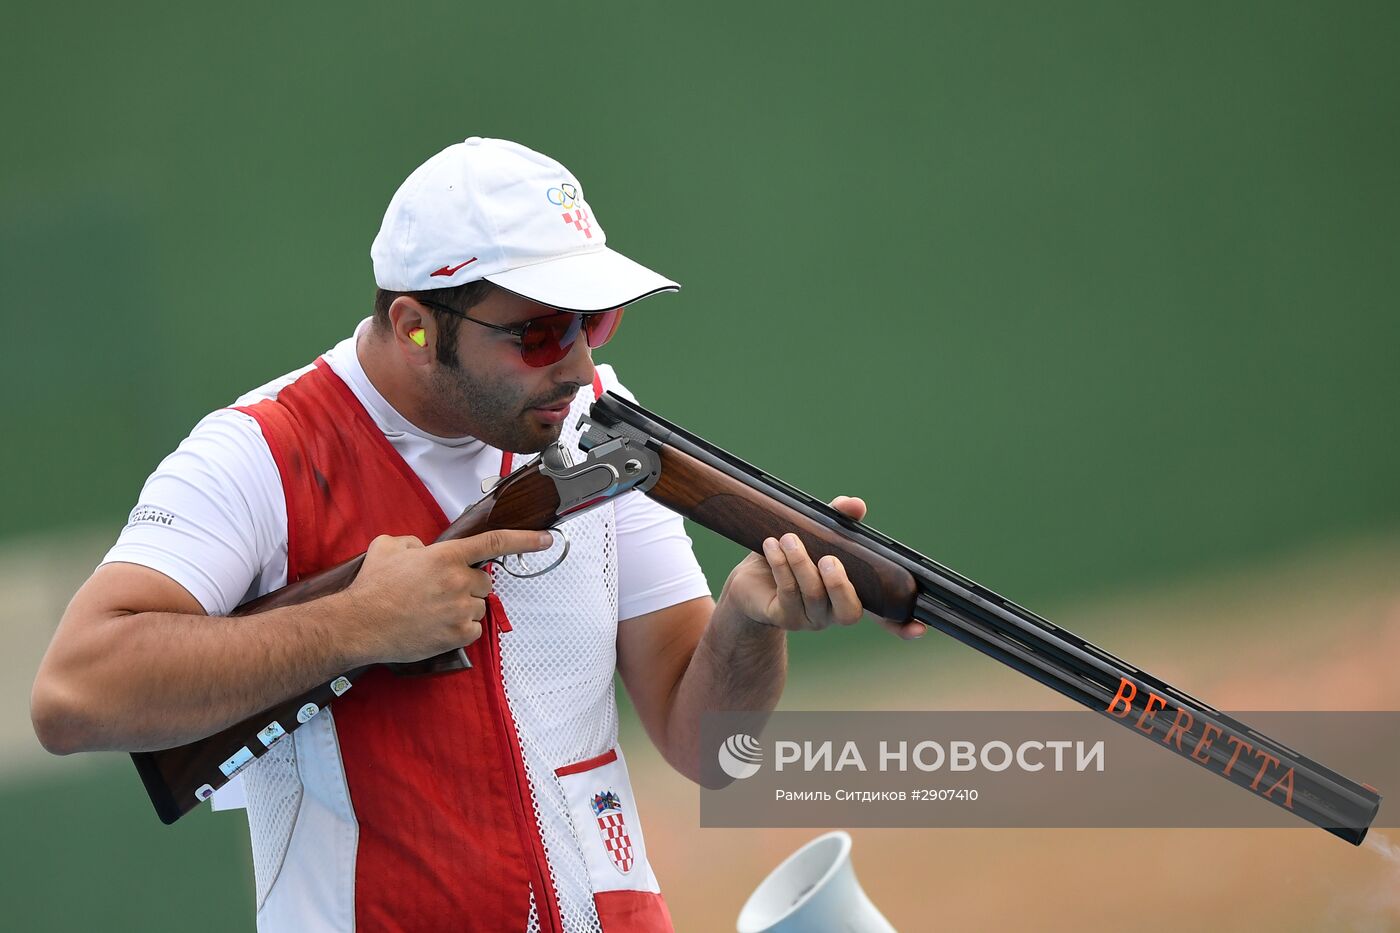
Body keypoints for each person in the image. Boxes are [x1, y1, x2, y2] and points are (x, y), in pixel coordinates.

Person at [31, 136, 926, 932]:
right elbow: (73, 692)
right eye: (538, 332)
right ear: (415, 325)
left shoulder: (605, 429)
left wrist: (747, 623)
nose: (578, 363)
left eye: (593, 320)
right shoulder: (259, 454)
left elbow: (709, 754)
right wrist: (354, 625)